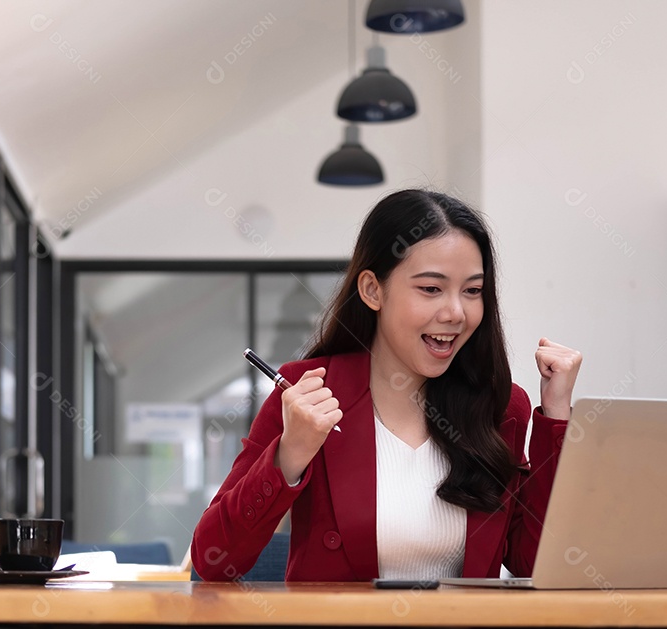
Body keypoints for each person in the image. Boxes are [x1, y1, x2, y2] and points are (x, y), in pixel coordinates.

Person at [191, 189, 582, 581]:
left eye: (473, 290)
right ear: (372, 291)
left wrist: (556, 415)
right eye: (431, 288)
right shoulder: (307, 392)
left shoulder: (500, 406)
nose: (456, 313)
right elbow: (213, 559)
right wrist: (289, 455)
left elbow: (536, 564)